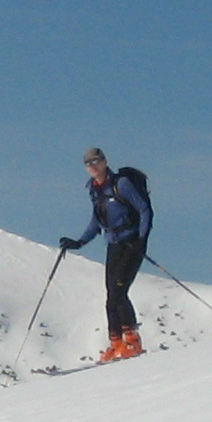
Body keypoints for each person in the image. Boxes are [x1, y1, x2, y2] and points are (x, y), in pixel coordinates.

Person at [58, 148, 151, 361]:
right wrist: (80, 242)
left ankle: (132, 341)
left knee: (119, 292)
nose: (92, 166)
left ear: (104, 161)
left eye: (96, 161)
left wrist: (141, 239)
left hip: (130, 243)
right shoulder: (94, 189)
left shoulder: (122, 184)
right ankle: (116, 342)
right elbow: (97, 220)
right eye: (88, 163)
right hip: (114, 244)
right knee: (111, 295)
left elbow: (144, 209)